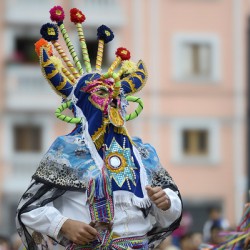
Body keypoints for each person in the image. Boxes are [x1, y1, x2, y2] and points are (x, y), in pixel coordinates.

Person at [16, 6, 183, 250]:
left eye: (117, 96)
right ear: (83, 104)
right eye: (101, 94)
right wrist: (63, 224)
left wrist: (166, 202)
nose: (111, 103)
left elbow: (166, 215)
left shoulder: (143, 153)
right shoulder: (67, 150)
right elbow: (29, 208)